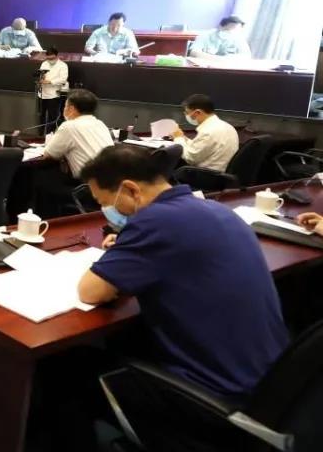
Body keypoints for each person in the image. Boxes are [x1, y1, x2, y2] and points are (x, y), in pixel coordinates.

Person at [36, 144, 288, 451]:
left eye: (106, 202)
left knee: (62, 369)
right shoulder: (214, 210)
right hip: (270, 387)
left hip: (217, 403)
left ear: (130, 189)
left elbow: (90, 292)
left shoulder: (155, 222)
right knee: (126, 337)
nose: (108, 212)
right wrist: (129, 246)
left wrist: (126, 247)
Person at [37, 89, 114, 215]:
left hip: (87, 189)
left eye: (65, 106)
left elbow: (48, 155)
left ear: (71, 108)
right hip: (109, 185)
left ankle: (50, 220)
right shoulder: (100, 124)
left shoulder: (69, 126)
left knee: (40, 181)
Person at [172, 93, 239, 171]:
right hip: (221, 173)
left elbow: (190, 158)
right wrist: (184, 138)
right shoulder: (228, 127)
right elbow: (202, 148)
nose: (186, 115)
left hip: (206, 175)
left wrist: (178, 138)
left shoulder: (208, 132)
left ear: (197, 113)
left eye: (187, 112)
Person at [37, 48, 68, 134]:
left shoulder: (63, 65)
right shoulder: (44, 63)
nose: (50, 60)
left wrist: (50, 82)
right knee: (41, 115)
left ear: (57, 56)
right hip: (42, 94)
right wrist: (41, 78)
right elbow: (41, 74)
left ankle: (49, 135)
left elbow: (63, 79)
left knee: (52, 117)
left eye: (52, 58)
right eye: (48, 58)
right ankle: (40, 135)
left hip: (53, 95)